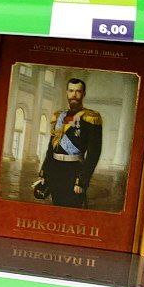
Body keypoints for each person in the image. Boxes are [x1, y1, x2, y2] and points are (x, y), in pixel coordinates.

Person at [35, 77, 102, 208]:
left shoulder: (91, 117)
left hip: (74, 171)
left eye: (78, 91)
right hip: (55, 171)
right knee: (56, 208)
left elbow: (94, 153)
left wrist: (82, 180)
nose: (74, 95)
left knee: (72, 209)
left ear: (83, 93)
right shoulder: (59, 116)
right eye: (71, 91)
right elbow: (51, 148)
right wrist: (44, 172)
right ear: (66, 92)